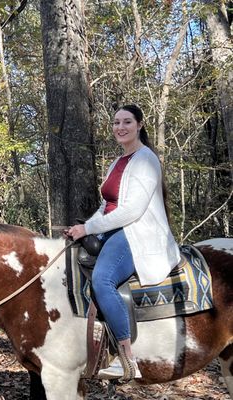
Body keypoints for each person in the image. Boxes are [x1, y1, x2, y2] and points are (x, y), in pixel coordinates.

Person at [66, 104, 180, 380]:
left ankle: (127, 358)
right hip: (115, 229)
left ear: (139, 125)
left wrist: (89, 228)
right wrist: (84, 228)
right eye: (116, 123)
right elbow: (107, 206)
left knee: (102, 279)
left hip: (138, 233)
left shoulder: (146, 159)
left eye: (127, 122)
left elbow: (131, 211)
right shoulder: (117, 162)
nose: (120, 127)